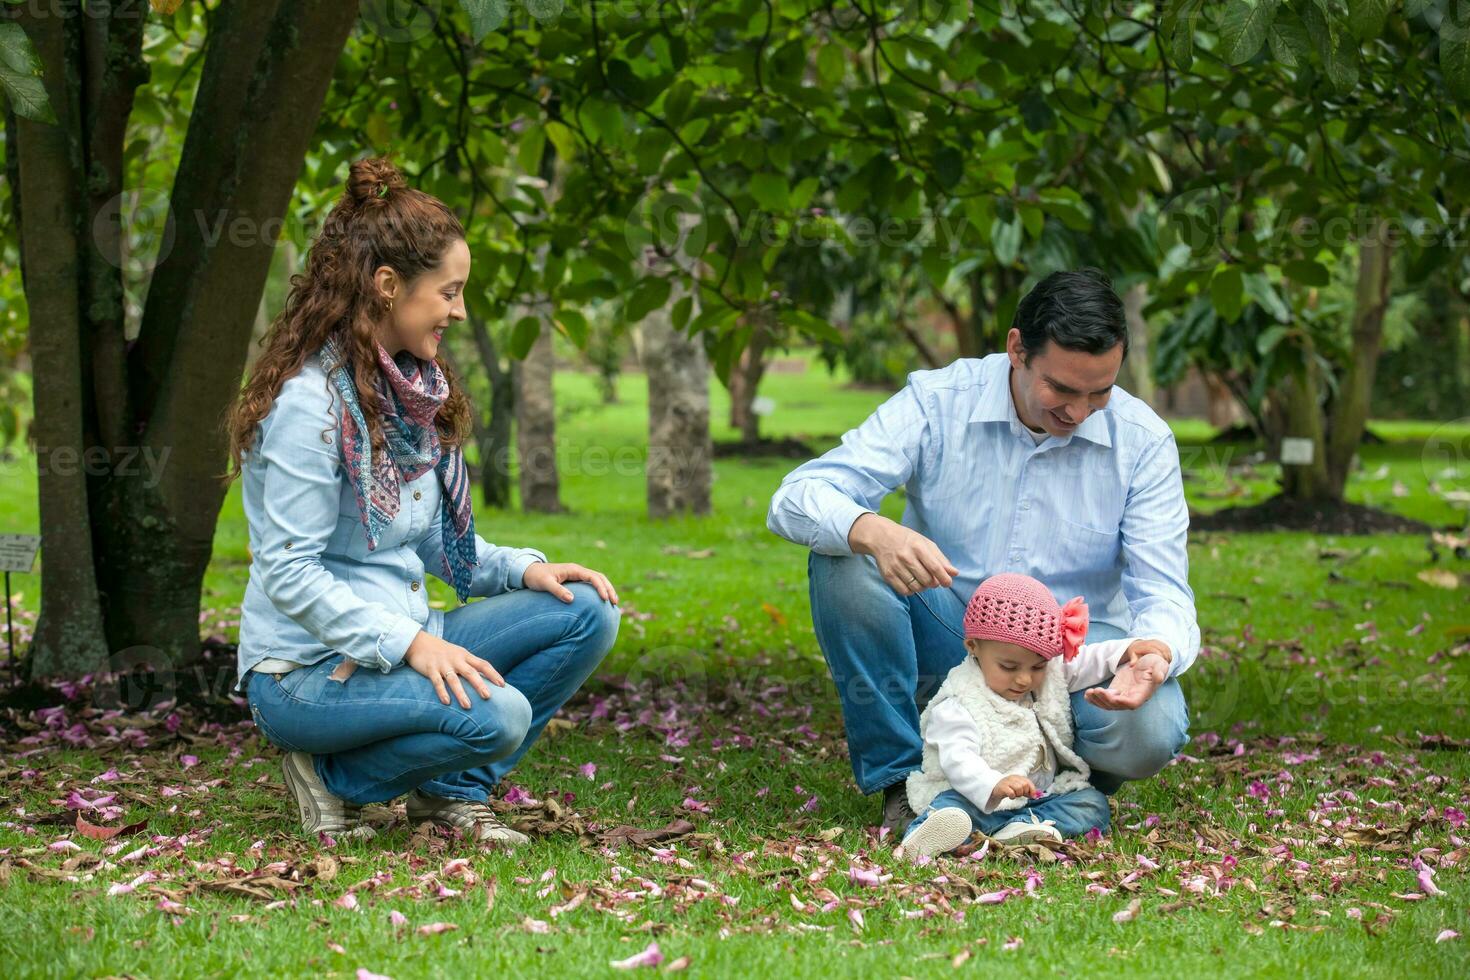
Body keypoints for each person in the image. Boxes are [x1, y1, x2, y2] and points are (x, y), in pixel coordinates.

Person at [222, 158, 620, 846]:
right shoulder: (309, 409)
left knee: (585, 613)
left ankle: (450, 797)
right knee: (498, 716)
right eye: (450, 291)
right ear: (387, 287)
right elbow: (288, 571)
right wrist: (409, 645)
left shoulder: (409, 393)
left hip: (402, 630)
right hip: (309, 670)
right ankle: (332, 778)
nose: (460, 311)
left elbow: (435, 541)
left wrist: (528, 571)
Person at [766, 268, 1195, 833]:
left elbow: (1163, 587)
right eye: (1062, 390)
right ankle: (905, 785)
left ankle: (1051, 773)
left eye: (1100, 392)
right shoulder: (938, 402)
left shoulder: (1142, 441)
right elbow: (797, 496)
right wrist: (873, 528)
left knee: (1154, 728)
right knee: (845, 555)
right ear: (1017, 349)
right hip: (954, 647)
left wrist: (1154, 653)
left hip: (1066, 672)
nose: (1079, 411)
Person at [899, 573, 1171, 860]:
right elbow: (958, 759)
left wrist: (1129, 649)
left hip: (1038, 798)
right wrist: (993, 784)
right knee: (951, 806)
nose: (1024, 679)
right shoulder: (958, 702)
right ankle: (925, 837)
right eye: (1008, 666)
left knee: (1091, 803)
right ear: (973, 647)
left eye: (1037, 667)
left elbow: (1088, 659)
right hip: (976, 795)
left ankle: (1021, 827)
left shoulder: (1048, 674)